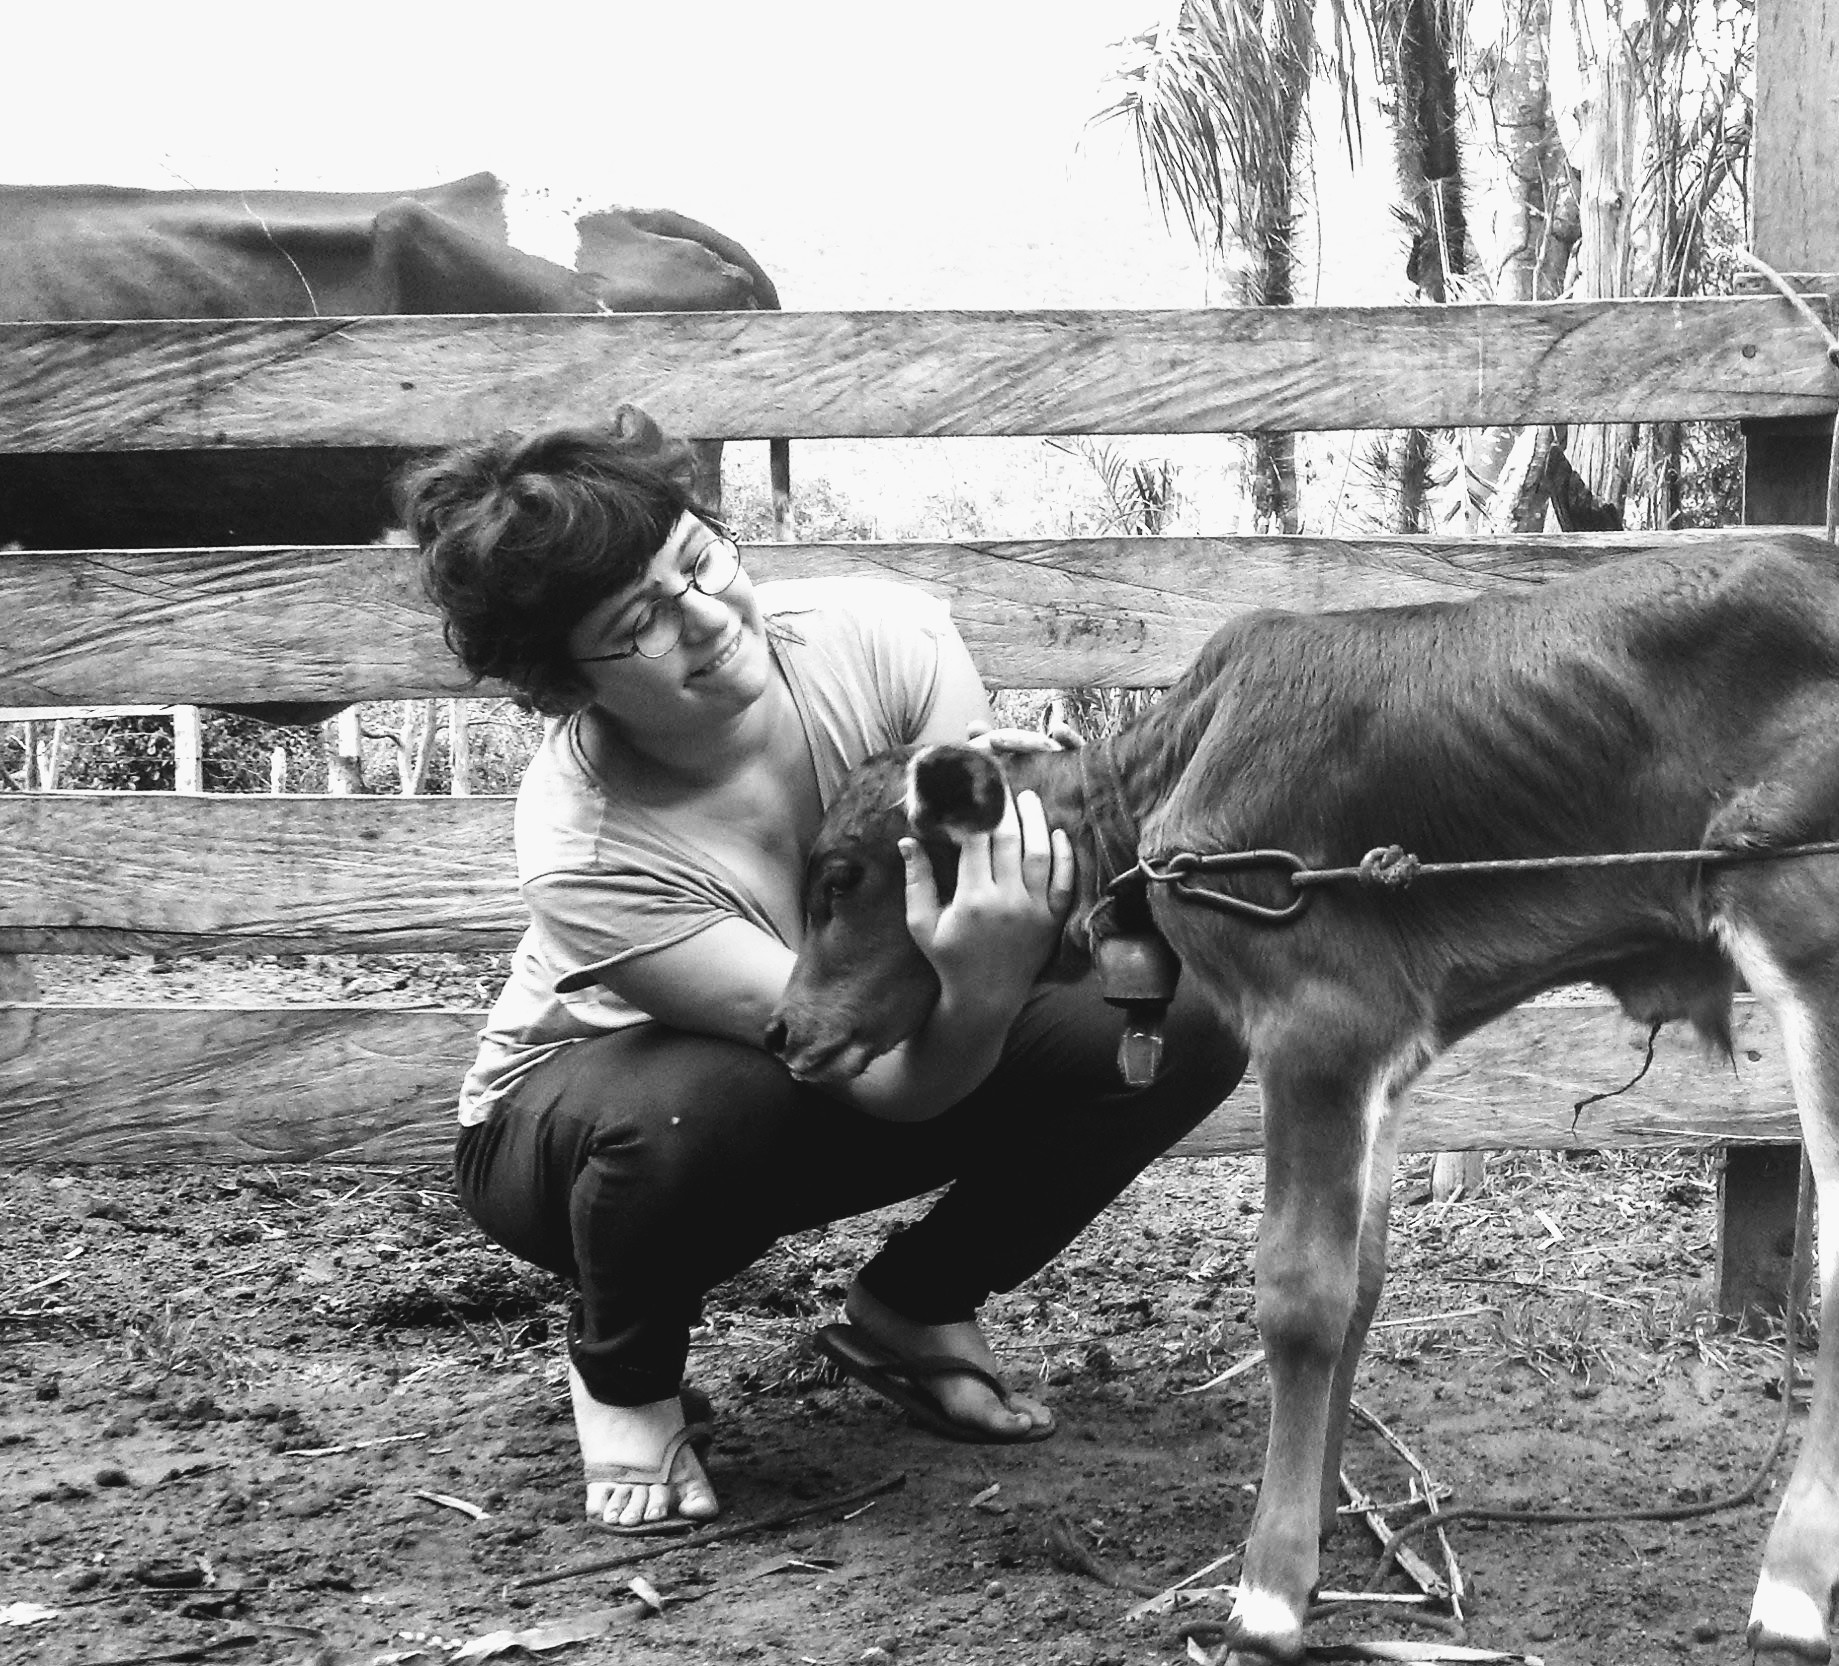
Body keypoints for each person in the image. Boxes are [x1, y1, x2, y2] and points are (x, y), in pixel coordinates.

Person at [403, 408, 1243, 1534]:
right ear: (564, 684)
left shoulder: (888, 640)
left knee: (1182, 1013)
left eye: (697, 561)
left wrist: (1015, 942)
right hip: (588, 1126)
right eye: (640, 624)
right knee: (705, 1101)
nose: (706, 620)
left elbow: (983, 900)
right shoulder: (585, 853)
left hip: (869, 1049)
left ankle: (915, 1306)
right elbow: (877, 1074)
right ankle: (626, 1377)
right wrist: (984, 988)